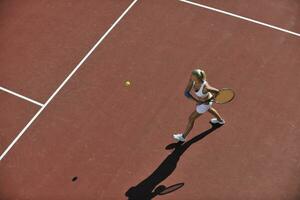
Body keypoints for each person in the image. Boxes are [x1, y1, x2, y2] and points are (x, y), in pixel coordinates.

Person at [173, 69, 225, 142]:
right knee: (209, 109)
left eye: (193, 76)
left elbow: (217, 91)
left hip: (204, 105)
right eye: (191, 75)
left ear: (198, 78)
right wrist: (197, 101)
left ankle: (182, 137)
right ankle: (220, 121)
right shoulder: (192, 81)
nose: (191, 77)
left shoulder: (205, 87)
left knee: (191, 118)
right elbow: (186, 93)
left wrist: (212, 98)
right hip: (203, 102)